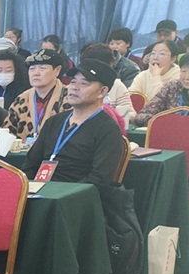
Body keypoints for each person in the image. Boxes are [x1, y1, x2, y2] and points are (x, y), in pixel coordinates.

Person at [23, 59, 125, 187]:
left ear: (102, 92)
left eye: (84, 83)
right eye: (72, 82)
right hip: (40, 190)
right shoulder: (54, 122)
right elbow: (30, 164)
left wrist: (64, 194)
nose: (74, 88)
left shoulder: (107, 128)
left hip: (76, 197)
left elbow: (99, 179)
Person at [0, 48, 68, 147]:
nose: (36, 73)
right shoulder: (22, 99)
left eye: (42, 68)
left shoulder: (69, 97)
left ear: (57, 70)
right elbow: (9, 129)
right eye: (32, 69)